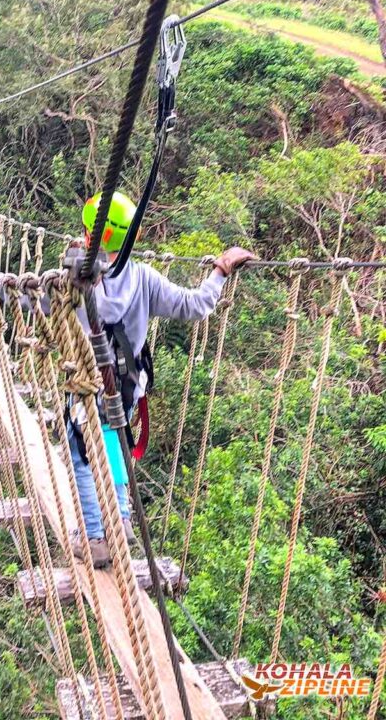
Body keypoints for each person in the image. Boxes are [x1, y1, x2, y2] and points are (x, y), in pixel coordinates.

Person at [69, 190, 256, 568]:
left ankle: (93, 536)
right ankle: (119, 522)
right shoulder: (143, 277)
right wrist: (220, 271)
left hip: (88, 386)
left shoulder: (76, 280)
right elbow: (194, 305)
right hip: (124, 387)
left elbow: (36, 302)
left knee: (83, 455)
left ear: (91, 238)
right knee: (115, 443)